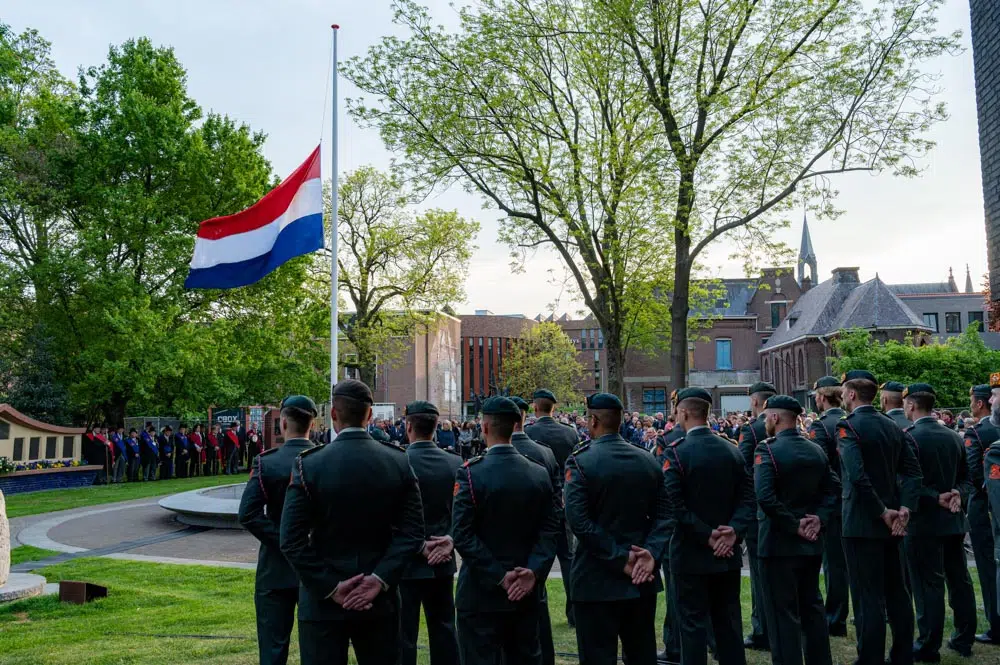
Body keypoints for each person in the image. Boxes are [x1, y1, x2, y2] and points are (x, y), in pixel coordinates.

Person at [280, 379, 425, 665]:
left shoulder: (308, 463)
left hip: (323, 600)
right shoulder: (397, 461)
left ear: (333, 414)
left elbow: (291, 540)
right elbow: (413, 532)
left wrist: (331, 586)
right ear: (370, 416)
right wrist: (379, 579)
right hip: (377, 598)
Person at [564, 392, 669, 665]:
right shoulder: (647, 461)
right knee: (641, 653)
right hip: (640, 577)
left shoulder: (580, 461)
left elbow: (578, 521)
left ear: (594, 420)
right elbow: (666, 516)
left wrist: (620, 558)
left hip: (596, 578)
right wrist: (650, 554)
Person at [452, 396, 559, 665]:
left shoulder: (471, 473)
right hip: (524, 588)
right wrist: (532, 572)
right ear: (516, 425)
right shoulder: (538, 473)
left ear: (485, 428)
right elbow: (550, 529)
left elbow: (462, 534)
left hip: (481, 592)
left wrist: (499, 576)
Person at [662, 387, 754, 665]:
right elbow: (748, 499)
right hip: (726, 554)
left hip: (691, 554)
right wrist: (732, 532)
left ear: (684, 413)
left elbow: (674, 505)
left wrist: (708, 535)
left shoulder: (677, 453)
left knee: (692, 626)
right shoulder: (732, 450)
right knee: (728, 624)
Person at [837, 370, 922, 665]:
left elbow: (856, 476)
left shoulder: (848, 427)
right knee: (898, 592)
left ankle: (870, 658)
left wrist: (883, 511)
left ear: (850, 394)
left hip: (864, 522)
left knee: (867, 596)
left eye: (843, 391)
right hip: (894, 522)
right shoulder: (892, 427)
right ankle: (902, 655)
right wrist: (904, 509)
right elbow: (912, 472)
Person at [755, 394, 839, 665]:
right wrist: (818, 519)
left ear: (775, 417)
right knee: (812, 606)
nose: (766, 421)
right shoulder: (815, 448)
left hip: (779, 543)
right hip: (810, 541)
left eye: (767, 416)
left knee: (783, 614)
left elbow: (766, 497)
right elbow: (833, 489)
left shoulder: (767, 449)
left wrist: (794, 525)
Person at [901, 383, 977, 661]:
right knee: (960, 581)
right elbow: (968, 478)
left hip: (924, 523)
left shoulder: (908, 437)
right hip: (953, 520)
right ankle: (964, 638)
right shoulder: (954, 436)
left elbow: (908, 482)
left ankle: (928, 644)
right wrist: (957, 493)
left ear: (911, 405)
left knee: (928, 585)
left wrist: (939, 497)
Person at [239, 396, 317, 665]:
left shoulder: (267, 463)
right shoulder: (324, 459)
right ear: (312, 423)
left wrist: (283, 540)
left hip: (275, 567)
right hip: (316, 567)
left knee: (272, 651)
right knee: (319, 650)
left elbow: (248, 514)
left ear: (282, 423)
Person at [398, 400, 463, 665]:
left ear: (408, 425)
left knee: (403, 634)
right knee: (444, 630)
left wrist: (417, 545)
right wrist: (449, 539)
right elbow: (462, 512)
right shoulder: (454, 462)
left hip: (405, 562)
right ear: (436, 427)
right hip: (441, 558)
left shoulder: (398, 461)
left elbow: (393, 517)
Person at [510, 396, 562, 665]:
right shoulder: (544, 452)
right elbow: (554, 507)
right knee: (537, 611)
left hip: (506, 545)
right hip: (538, 543)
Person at [524, 388, 580, 626]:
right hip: (562, 501)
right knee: (567, 559)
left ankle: (533, 606)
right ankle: (573, 613)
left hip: (535, 504)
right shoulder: (569, 433)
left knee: (533, 557)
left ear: (535, 407)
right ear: (553, 408)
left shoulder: (528, 433)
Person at [807, 376, 851, 637]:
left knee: (835, 564)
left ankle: (836, 618)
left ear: (822, 397)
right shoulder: (849, 422)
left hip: (833, 503)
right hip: (857, 500)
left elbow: (819, 467)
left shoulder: (821, 427)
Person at [738, 381, 775, 652]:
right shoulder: (791, 428)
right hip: (787, 511)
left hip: (759, 512)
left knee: (762, 576)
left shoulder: (751, 430)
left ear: (754, 402)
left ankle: (762, 629)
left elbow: (743, 471)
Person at [966, 383, 1000, 644]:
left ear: (979, 404)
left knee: (990, 569)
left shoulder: (978, 433)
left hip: (985, 508)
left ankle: (995, 624)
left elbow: (974, 475)